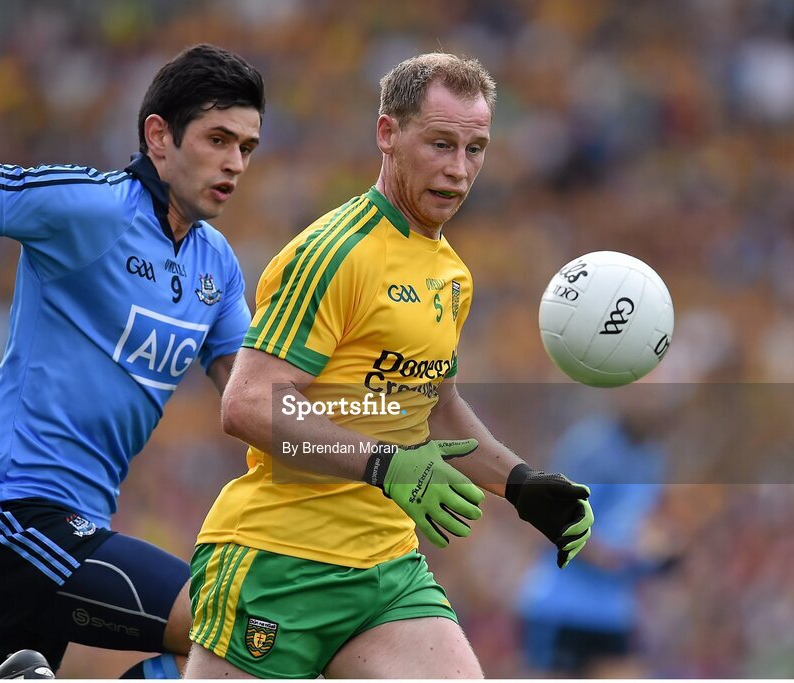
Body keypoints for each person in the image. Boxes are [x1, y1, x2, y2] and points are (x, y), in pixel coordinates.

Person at [0, 43, 264, 678]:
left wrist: (363, 451)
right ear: (159, 138)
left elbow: (252, 398)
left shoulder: (216, 265)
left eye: (246, 148)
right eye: (218, 139)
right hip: (15, 518)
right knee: (235, 628)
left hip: (67, 532)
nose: (235, 163)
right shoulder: (95, 207)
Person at [183, 52, 594, 679]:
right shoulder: (335, 253)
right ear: (387, 134)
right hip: (280, 558)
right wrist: (385, 463)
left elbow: (434, 406)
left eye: (476, 149)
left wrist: (521, 485)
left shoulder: (451, 273)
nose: (459, 169)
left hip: (387, 566)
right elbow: (246, 403)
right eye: (440, 144)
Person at [516, 397, 680, 678]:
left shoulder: (653, 457)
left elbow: (642, 522)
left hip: (613, 611)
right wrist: (605, 556)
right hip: (562, 607)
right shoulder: (589, 447)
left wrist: (658, 551)